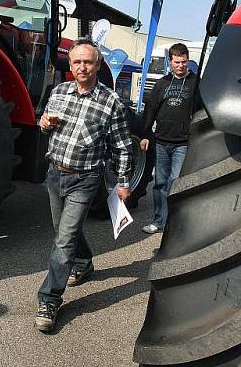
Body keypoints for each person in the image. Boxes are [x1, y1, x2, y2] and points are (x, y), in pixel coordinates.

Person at [35, 38, 134, 333]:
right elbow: (45, 123)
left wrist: (124, 182)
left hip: (85, 179)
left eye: (88, 62)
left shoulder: (111, 102)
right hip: (55, 174)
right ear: (70, 64)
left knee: (63, 240)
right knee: (63, 230)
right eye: (77, 62)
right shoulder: (59, 92)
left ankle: (49, 298)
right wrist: (44, 124)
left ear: (97, 64)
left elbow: (123, 146)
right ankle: (85, 262)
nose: (82, 67)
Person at [140, 43, 199, 234]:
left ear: (188, 60)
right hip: (161, 141)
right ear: (170, 62)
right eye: (177, 62)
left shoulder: (196, 84)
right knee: (159, 183)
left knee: (176, 182)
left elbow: (202, 112)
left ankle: (174, 223)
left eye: (184, 62)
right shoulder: (162, 84)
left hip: (183, 143)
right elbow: (150, 110)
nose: (181, 65)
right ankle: (159, 221)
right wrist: (145, 134)